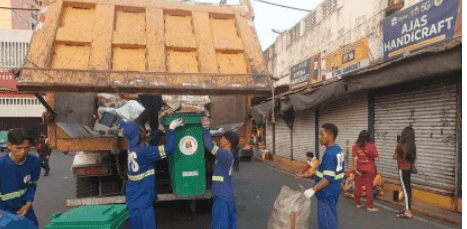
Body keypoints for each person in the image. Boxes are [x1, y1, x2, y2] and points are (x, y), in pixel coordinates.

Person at [121, 118, 184, 229]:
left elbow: (150, 146)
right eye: (141, 129)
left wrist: (159, 131)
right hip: (143, 201)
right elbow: (169, 149)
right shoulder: (144, 152)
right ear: (140, 134)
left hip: (134, 197)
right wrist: (171, 129)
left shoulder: (133, 148)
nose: (144, 130)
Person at [304, 123, 344, 229]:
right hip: (333, 192)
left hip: (327, 193)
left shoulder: (329, 154)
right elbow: (329, 171)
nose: (319, 137)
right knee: (331, 219)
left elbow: (327, 178)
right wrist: (311, 174)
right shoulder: (337, 149)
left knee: (326, 223)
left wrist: (312, 190)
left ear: (330, 136)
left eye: (322, 135)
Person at [202, 116, 239, 229]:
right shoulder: (226, 154)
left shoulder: (225, 155)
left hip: (223, 197)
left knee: (220, 225)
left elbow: (209, 145)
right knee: (229, 225)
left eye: (222, 138)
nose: (220, 140)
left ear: (228, 143)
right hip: (227, 195)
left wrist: (205, 127)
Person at [0, 128, 41, 227]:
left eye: (27, 147)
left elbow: (32, 184)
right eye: (18, 148)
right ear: (9, 145)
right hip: (3, 209)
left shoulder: (34, 162)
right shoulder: (1, 164)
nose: (23, 152)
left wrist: (28, 203)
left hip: (24, 207)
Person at [352, 130, 380, 212]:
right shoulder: (371, 146)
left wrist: (355, 169)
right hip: (369, 169)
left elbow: (355, 159)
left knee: (358, 186)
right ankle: (370, 206)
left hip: (359, 169)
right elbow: (377, 158)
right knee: (369, 187)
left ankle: (358, 203)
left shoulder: (355, 146)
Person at [393, 127, 416, 219]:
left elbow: (395, 156)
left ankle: (407, 211)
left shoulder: (401, 145)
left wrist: (398, 144)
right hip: (408, 169)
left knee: (405, 190)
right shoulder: (412, 146)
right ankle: (407, 207)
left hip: (402, 169)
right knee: (408, 188)